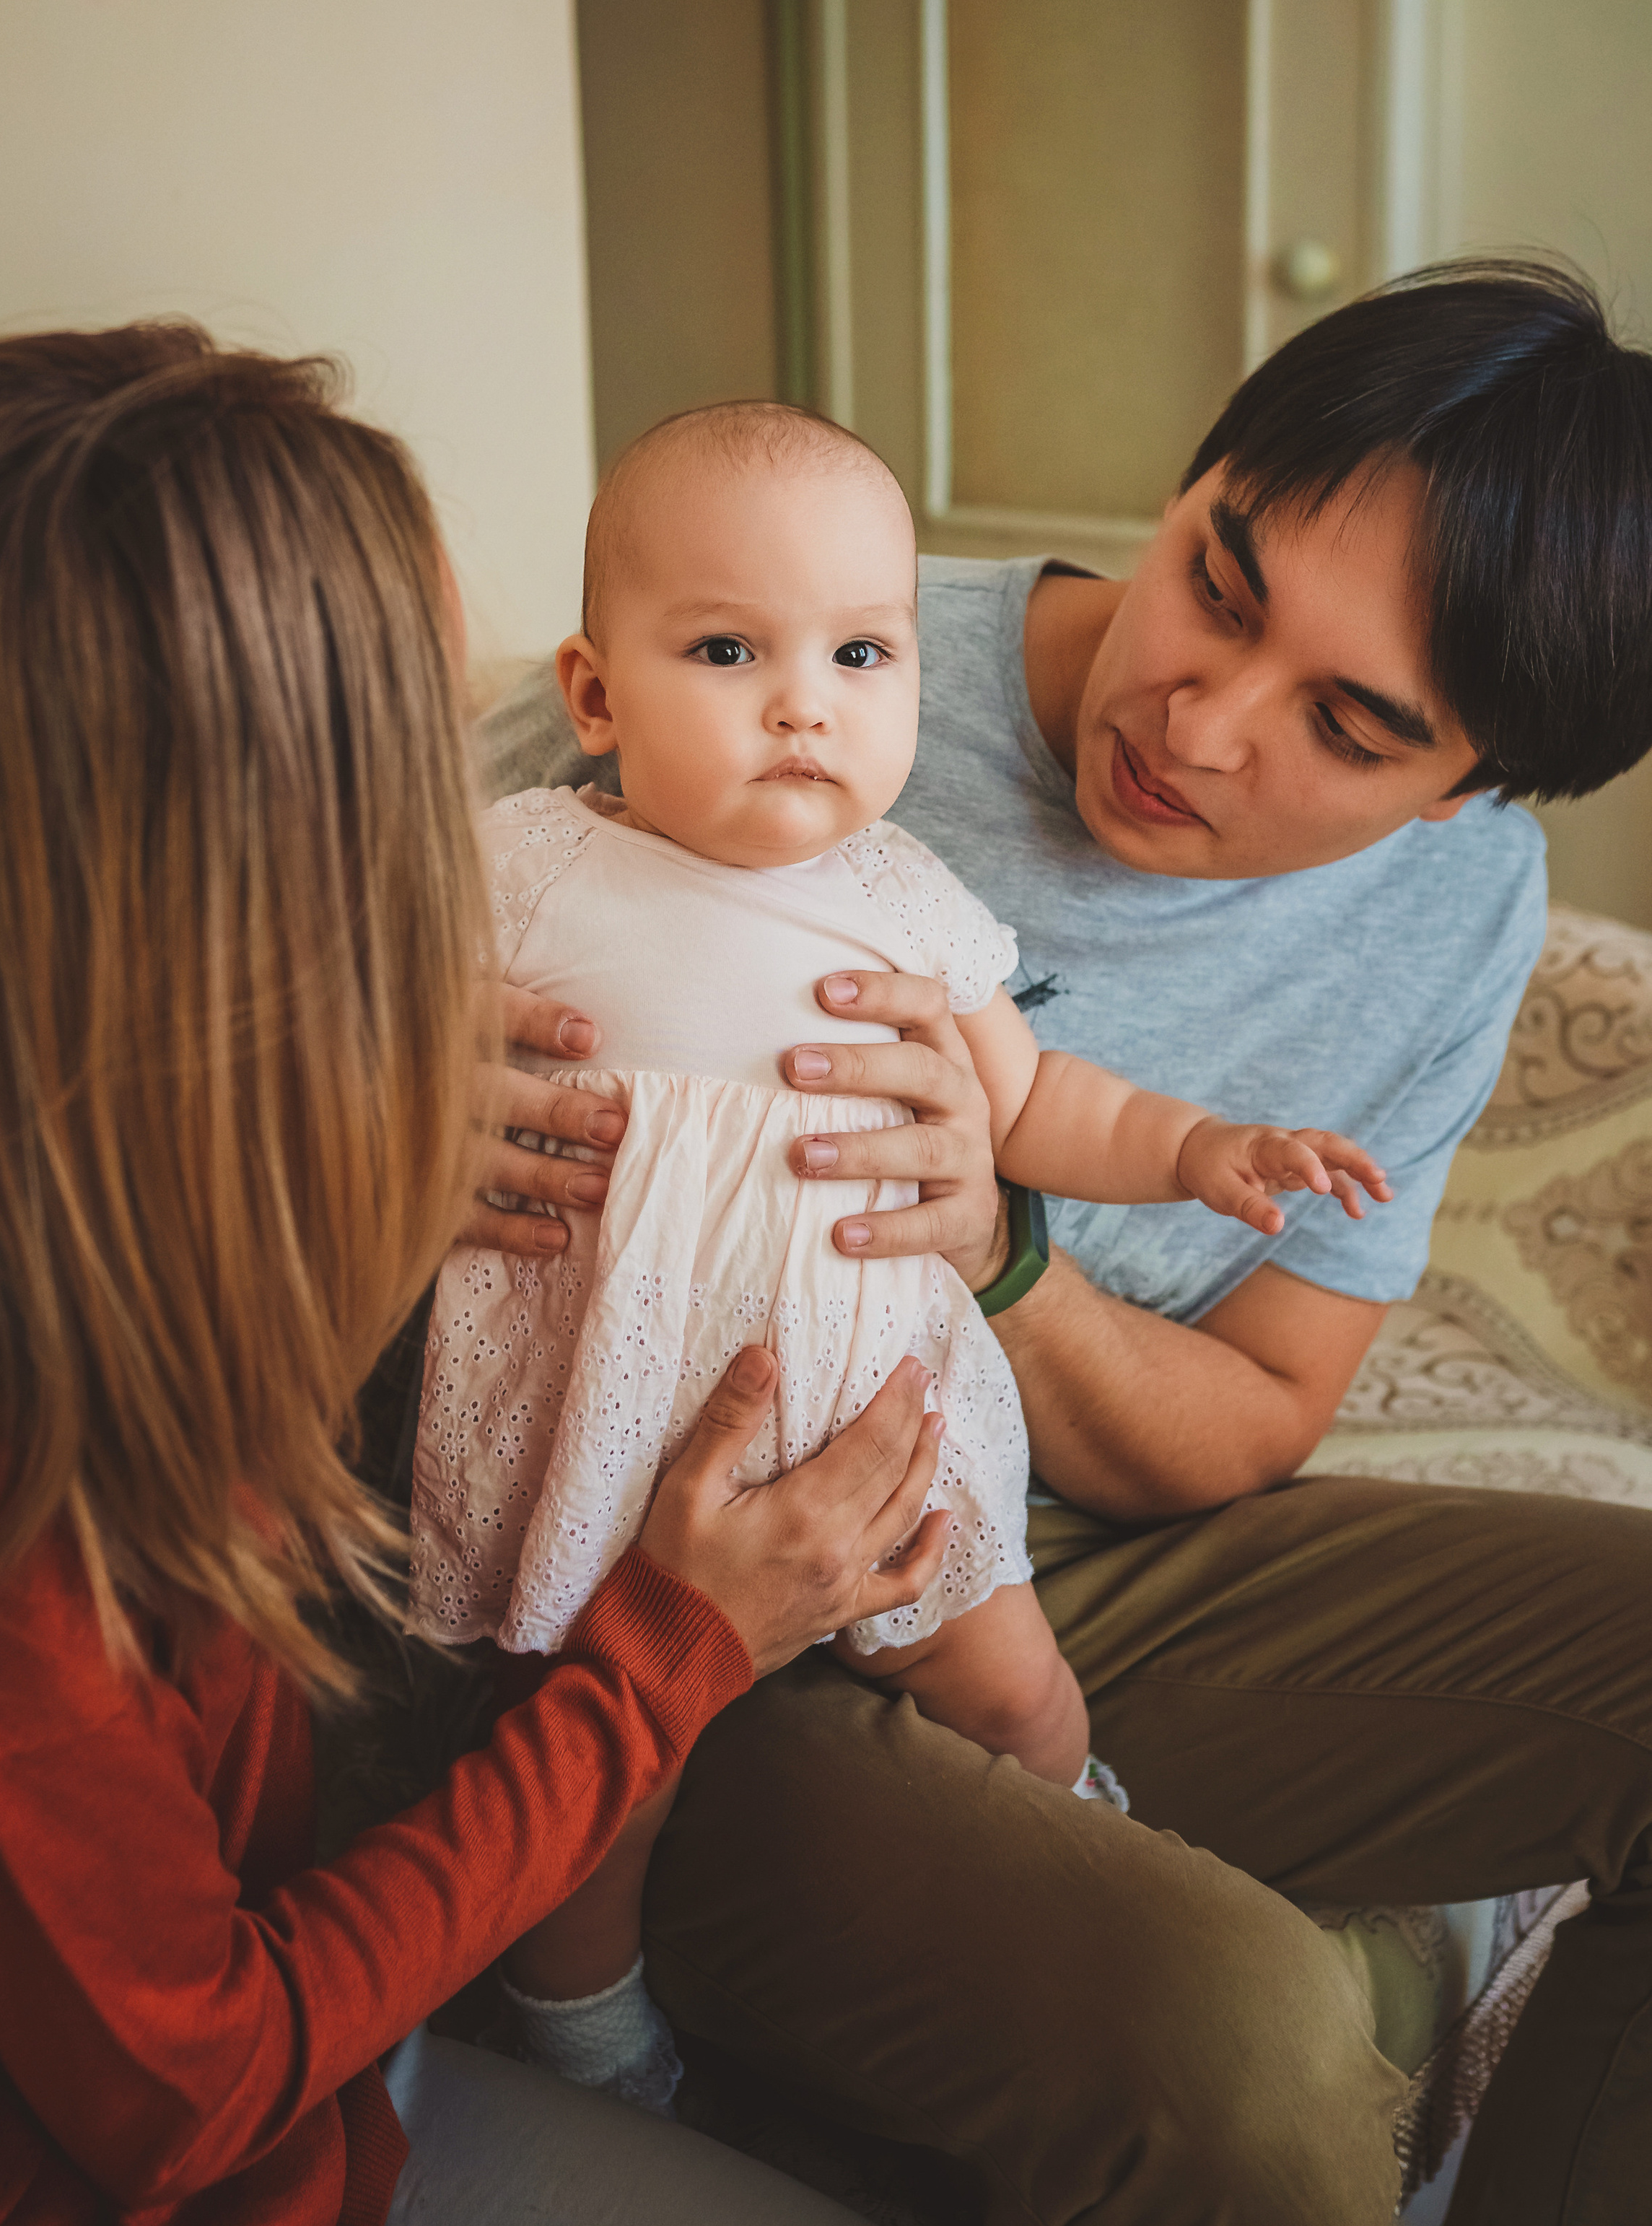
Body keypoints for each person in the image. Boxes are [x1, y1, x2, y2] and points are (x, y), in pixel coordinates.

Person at [0, 327, 1245, 2226]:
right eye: (406, 772)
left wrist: (973, 1211)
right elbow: (183, 2083)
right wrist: (665, 1654)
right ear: (217, 877)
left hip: (322, 2130)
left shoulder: (197, 1171)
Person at [470, 261, 1652, 2226]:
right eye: (1221, 580)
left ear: (1468, 792)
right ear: (1194, 477)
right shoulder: (773, 633)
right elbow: (301, 1014)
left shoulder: (1461, 907)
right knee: (1245, 2046)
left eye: (1352, 726)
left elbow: (1257, 1420)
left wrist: (1000, 1244)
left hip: (1049, 1536)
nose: (1201, 720)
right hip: (691, 1570)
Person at [413, 399, 1389, 2105]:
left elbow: (1044, 1105)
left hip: (877, 1430)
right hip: (622, 1442)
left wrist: (1197, 1150)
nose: (804, 703)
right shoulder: (523, 869)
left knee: (1013, 1687)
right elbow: (346, 1024)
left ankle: (1091, 1854)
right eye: (727, 650)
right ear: (593, 696)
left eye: (860, 654)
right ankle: (582, 2041)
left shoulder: (906, 904)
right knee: (599, 1771)